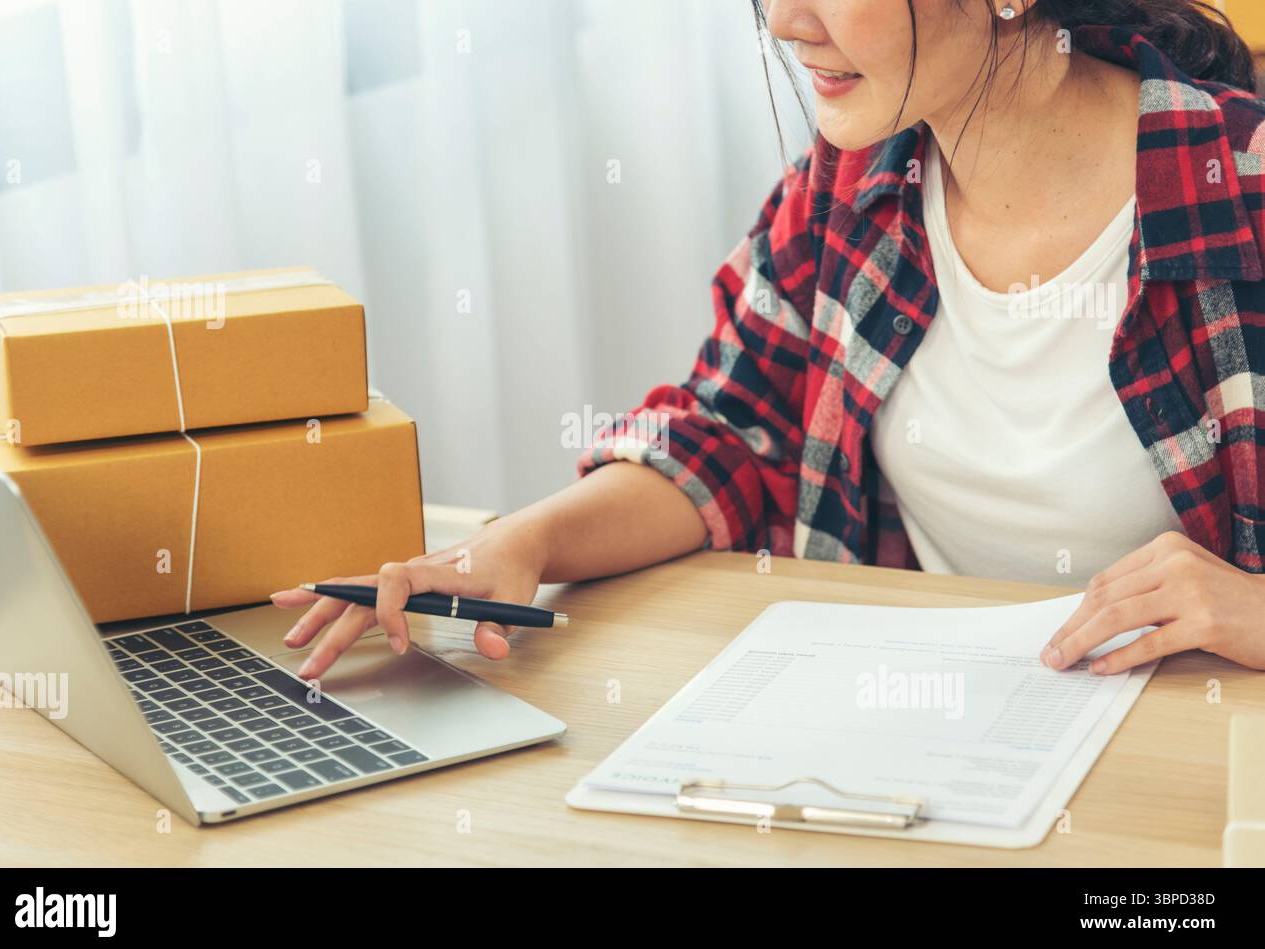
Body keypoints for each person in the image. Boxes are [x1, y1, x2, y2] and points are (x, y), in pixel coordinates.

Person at [274, 0, 1265, 680]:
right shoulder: (842, 197)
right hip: (932, 739)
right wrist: (514, 545)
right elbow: (728, 440)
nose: (785, 20)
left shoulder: (1242, 189)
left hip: (1185, 778)